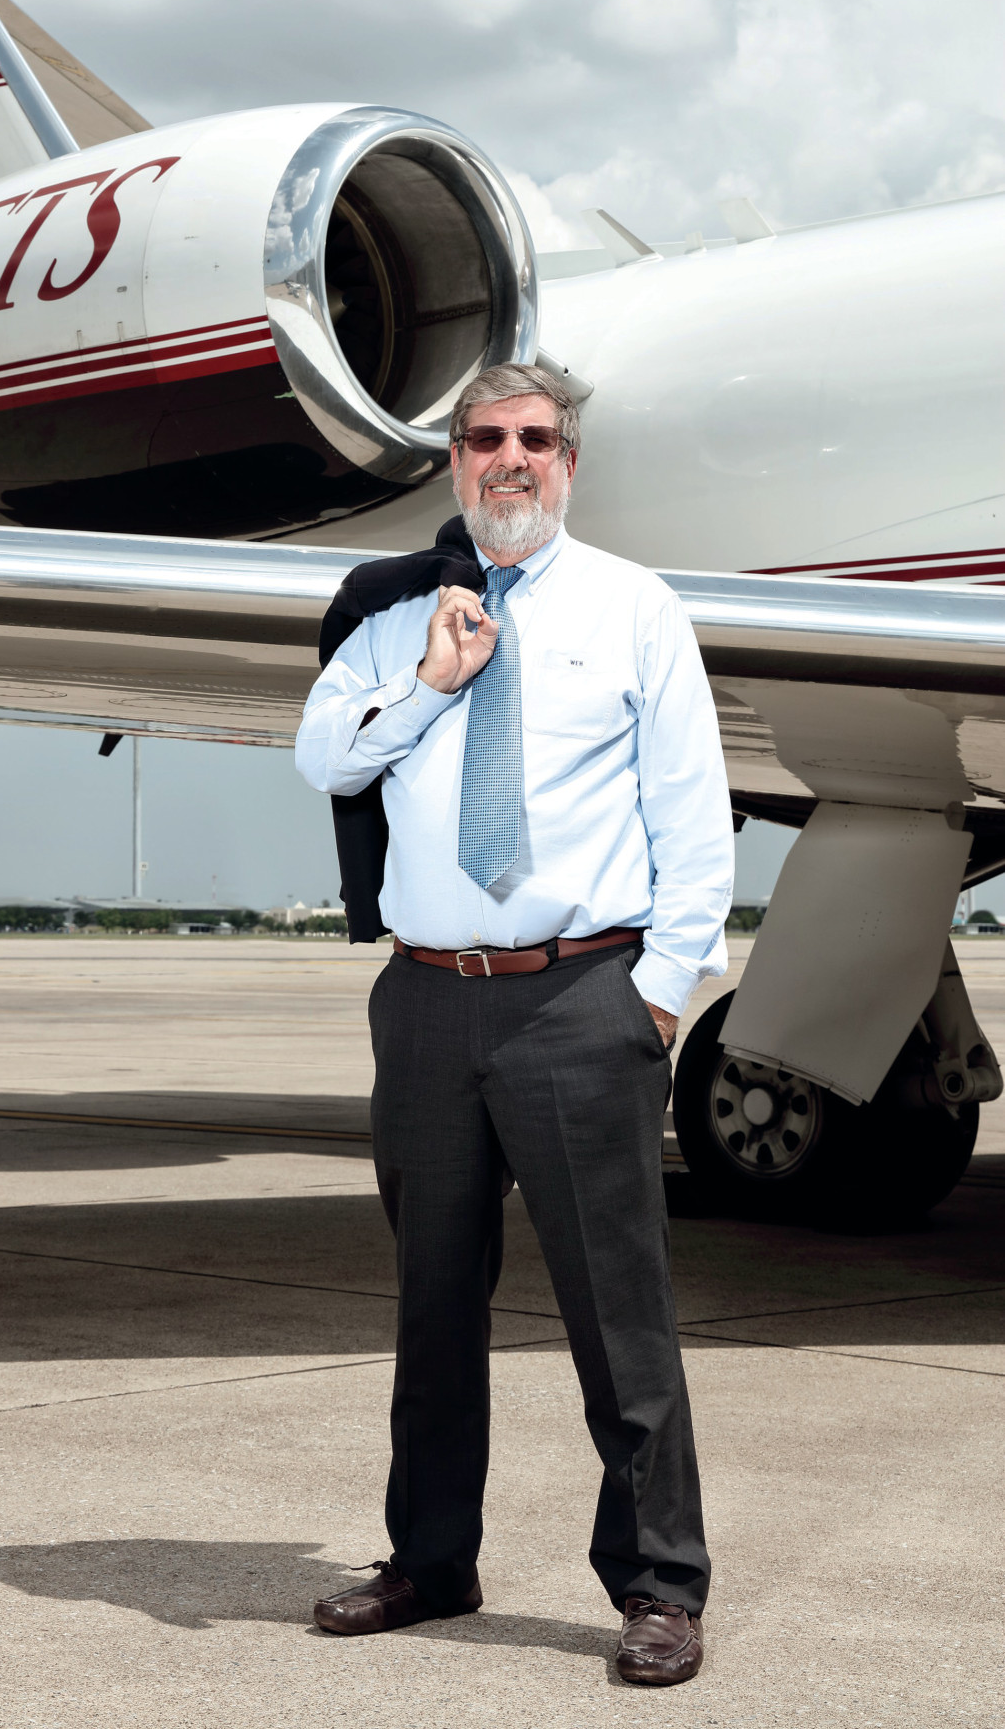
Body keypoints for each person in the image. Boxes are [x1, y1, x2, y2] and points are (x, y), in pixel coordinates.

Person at [294, 361, 734, 1687]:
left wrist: (658, 993)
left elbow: (690, 814)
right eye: (484, 439)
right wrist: (432, 681)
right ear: (454, 463)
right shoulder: (391, 616)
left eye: (534, 438)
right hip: (428, 1000)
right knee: (432, 1304)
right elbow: (325, 756)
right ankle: (430, 1560)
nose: (510, 459)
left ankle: (658, 1587)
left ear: (568, 462)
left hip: (579, 996)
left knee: (618, 1313)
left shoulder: (634, 607)